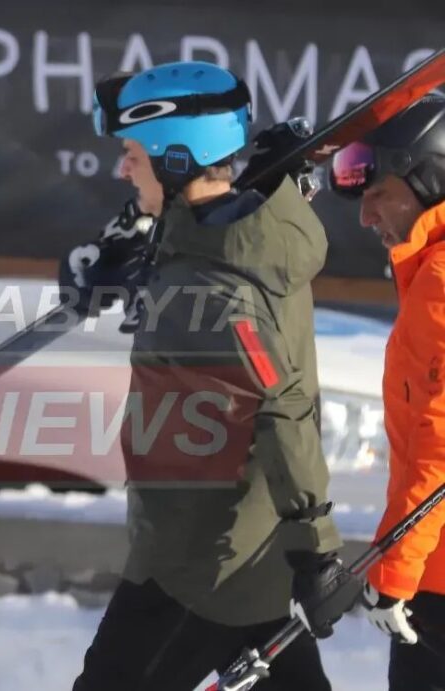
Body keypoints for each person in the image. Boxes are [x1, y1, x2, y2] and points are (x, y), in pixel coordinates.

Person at [69, 61, 356, 690]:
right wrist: (119, 258)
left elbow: (280, 405)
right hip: (232, 546)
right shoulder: (230, 233)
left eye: (131, 157)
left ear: (176, 160)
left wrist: (317, 549)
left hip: (200, 564)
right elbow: (182, 269)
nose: (121, 171)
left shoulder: (219, 287)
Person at [329, 93, 445, 689]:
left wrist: (396, 569)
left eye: (379, 194)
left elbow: (440, 446)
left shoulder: (441, 284)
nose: (366, 217)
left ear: (430, 180)